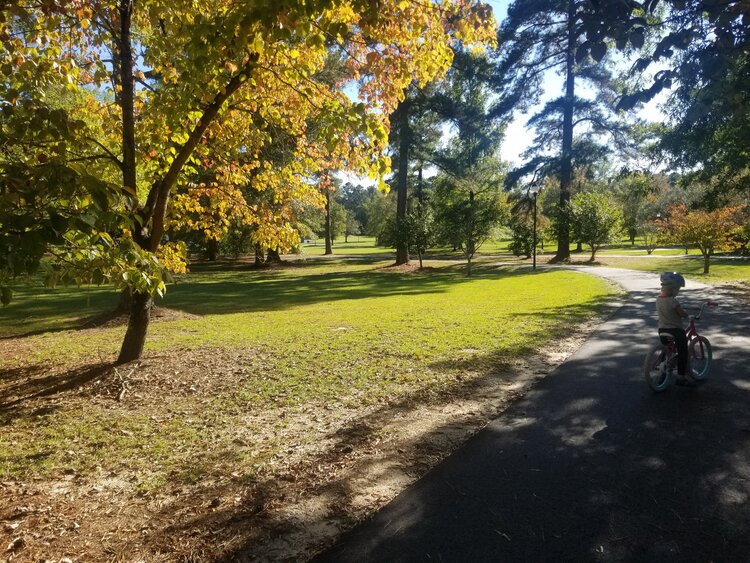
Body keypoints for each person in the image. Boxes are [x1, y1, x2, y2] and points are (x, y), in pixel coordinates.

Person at [656, 271, 693, 385]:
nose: (678, 292)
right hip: (676, 330)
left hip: (662, 330)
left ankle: (662, 370)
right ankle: (681, 377)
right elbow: (681, 313)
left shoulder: (658, 299)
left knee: (667, 349)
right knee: (683, 352)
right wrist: (686, 314)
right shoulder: (673, 301)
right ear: (673, 290)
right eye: (678, 290)